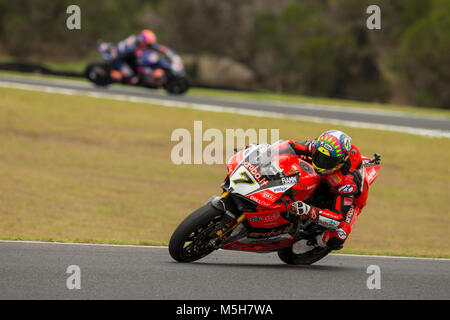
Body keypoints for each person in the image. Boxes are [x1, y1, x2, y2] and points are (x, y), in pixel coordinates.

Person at [280, 129, 370, 253]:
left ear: (340, 161)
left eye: (327, 160)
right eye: (319, 156)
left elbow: (338, 218)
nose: (321, 162)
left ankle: (317, 242)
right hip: (324, 180)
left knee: (339, 236)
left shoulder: (348, 180)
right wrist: (263, 151)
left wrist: (308, 210)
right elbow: (289, 146)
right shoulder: (318, 145)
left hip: (349, 198)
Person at [97, 29, 181, 85]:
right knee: (131, 78)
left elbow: (160, 47)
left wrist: (172, 55)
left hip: (127, 57)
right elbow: (137, 61)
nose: (150, 45)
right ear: (144, 42)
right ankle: (112, 75)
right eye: (149, 43)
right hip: (119, 58)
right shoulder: (133, 46)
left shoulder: (142, 41)